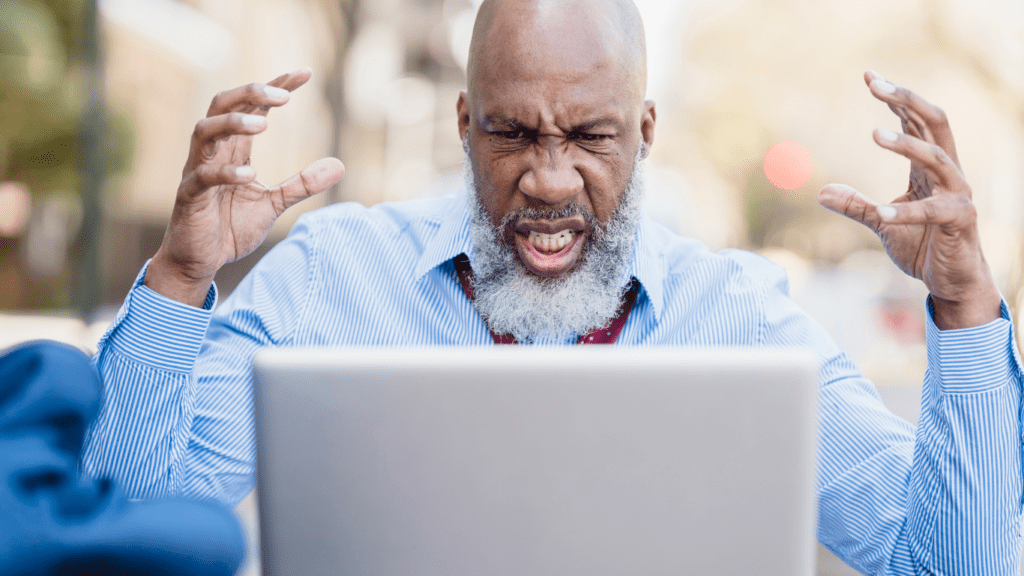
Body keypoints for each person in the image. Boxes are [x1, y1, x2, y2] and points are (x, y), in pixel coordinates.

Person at [81, 0, 1023, 573]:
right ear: (463, 123)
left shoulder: (741, 318)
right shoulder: (330, 276)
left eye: (590, 136)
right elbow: (128, 537)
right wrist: (179, 278)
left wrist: (965, 309)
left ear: (645, 130)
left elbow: (949, 566)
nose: (550, 178)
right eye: (513, 133)